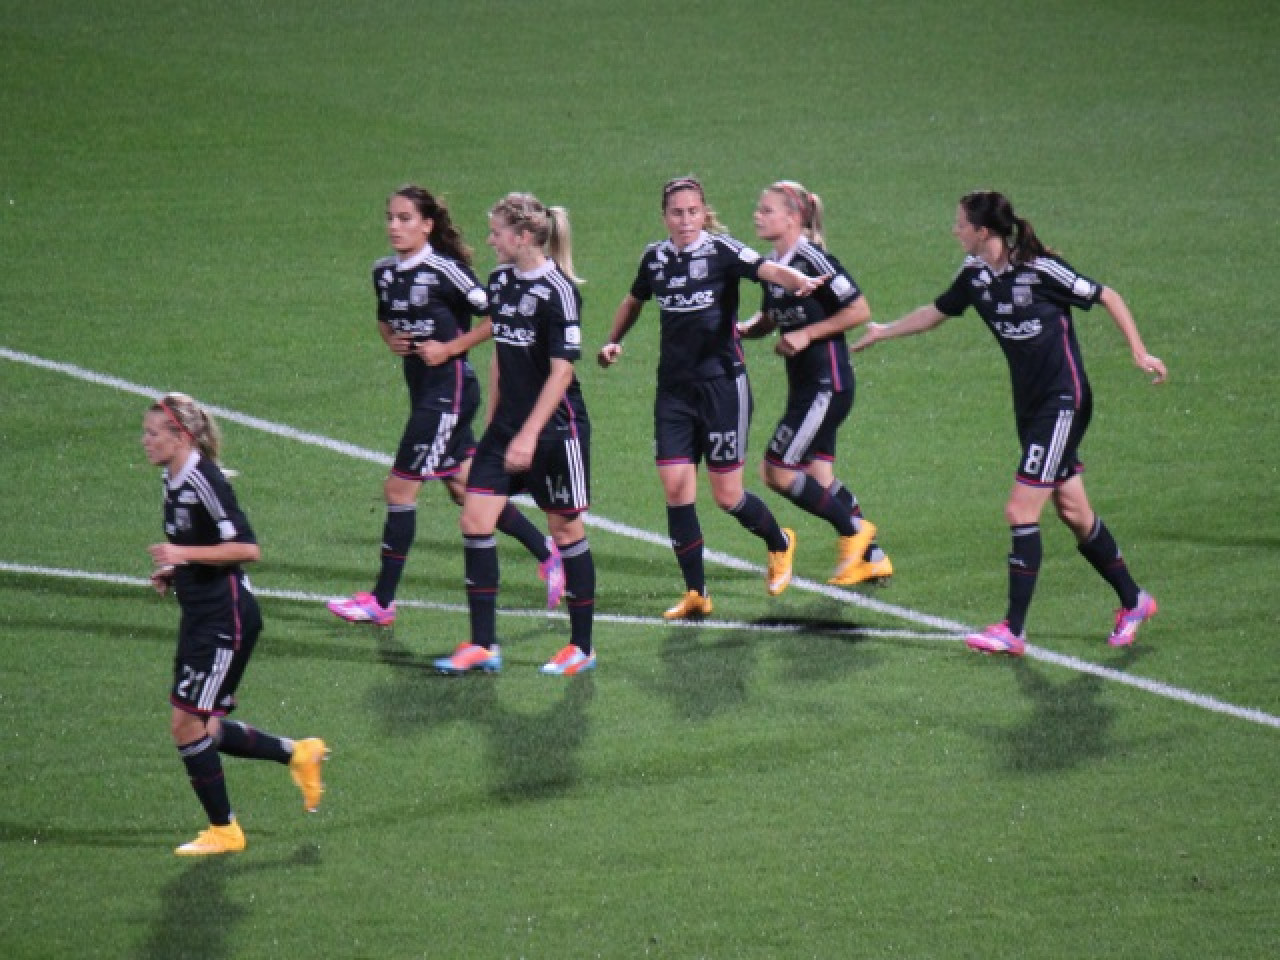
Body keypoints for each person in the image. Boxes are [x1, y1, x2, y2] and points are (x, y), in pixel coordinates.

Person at [853, 190, 1166, 655]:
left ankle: (1013, 630)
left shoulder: (1039, 270)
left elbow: (1106, 295)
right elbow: (937, 313)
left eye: (960, 223)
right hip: (1030, 407)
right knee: (1075, 513)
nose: (954, 230)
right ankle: (1134, 600)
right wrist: (885, 331)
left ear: (983, 231)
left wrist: (1139, 351)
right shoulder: (976, 275)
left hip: (1064, 403)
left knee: (1021, 511)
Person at [327, 185, 563, 629]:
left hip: (448, 394)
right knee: (464, 488)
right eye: (390, 218)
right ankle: (549, 554)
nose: (394, 226)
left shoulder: (445, 271)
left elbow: (499, 315)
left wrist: (452, 347)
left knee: (399, 490)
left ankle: (381, 601)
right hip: (424, 392)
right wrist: (390, 339)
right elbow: (384, 317)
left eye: (405, 218)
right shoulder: (384, 272)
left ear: (428, 225)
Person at [598, 176, 826, 619]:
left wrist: (795, 277)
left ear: (704, 213)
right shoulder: (655, 258)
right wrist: (613, 340)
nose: (685, 220)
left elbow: (765, 269)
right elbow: (633, 300)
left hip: (723, 387)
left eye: (692, 212)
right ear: (665, 216)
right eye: (676, 213)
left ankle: (780, 542)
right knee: (676, 488)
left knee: (727, 496)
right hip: (674, 393)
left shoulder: (722, 251)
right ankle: (696, 592)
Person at [141, 392, 328, 856]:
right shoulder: (173, 477)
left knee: (187, 727)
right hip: (202, 615)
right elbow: (200, 541)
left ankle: (225, 830)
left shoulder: (204, 480)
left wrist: (183, 555)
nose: (144, 442)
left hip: (225, 621)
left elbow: (247, 548)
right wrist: (178, 570)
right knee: (200, 727)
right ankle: (298, 753)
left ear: (180, 436)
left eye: (152, 434)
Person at [433, 193, 596, 676]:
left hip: (556, 431)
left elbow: (561, 373)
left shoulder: (559, 291)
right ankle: (483, 644)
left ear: (523, 236)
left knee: (565, 530)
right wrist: (497, 425)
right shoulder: (502, 281)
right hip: (509, 428)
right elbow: (503, 350)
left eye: (497, 231)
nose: (490, 239)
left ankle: (582, 647)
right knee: (475, 520)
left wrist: (528, 435)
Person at [738, 179, 892, 586]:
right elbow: (770, 320)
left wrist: (807, 335)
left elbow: (859, 310)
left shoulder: (813, 260)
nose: (757, 215)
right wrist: (737, 331)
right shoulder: (774, 267)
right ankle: (874, 559)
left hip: (827, 385)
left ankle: (855, 534)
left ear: (793, 218)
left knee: (777, 471)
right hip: (807, 387)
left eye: (766, 210)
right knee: (819, 477)